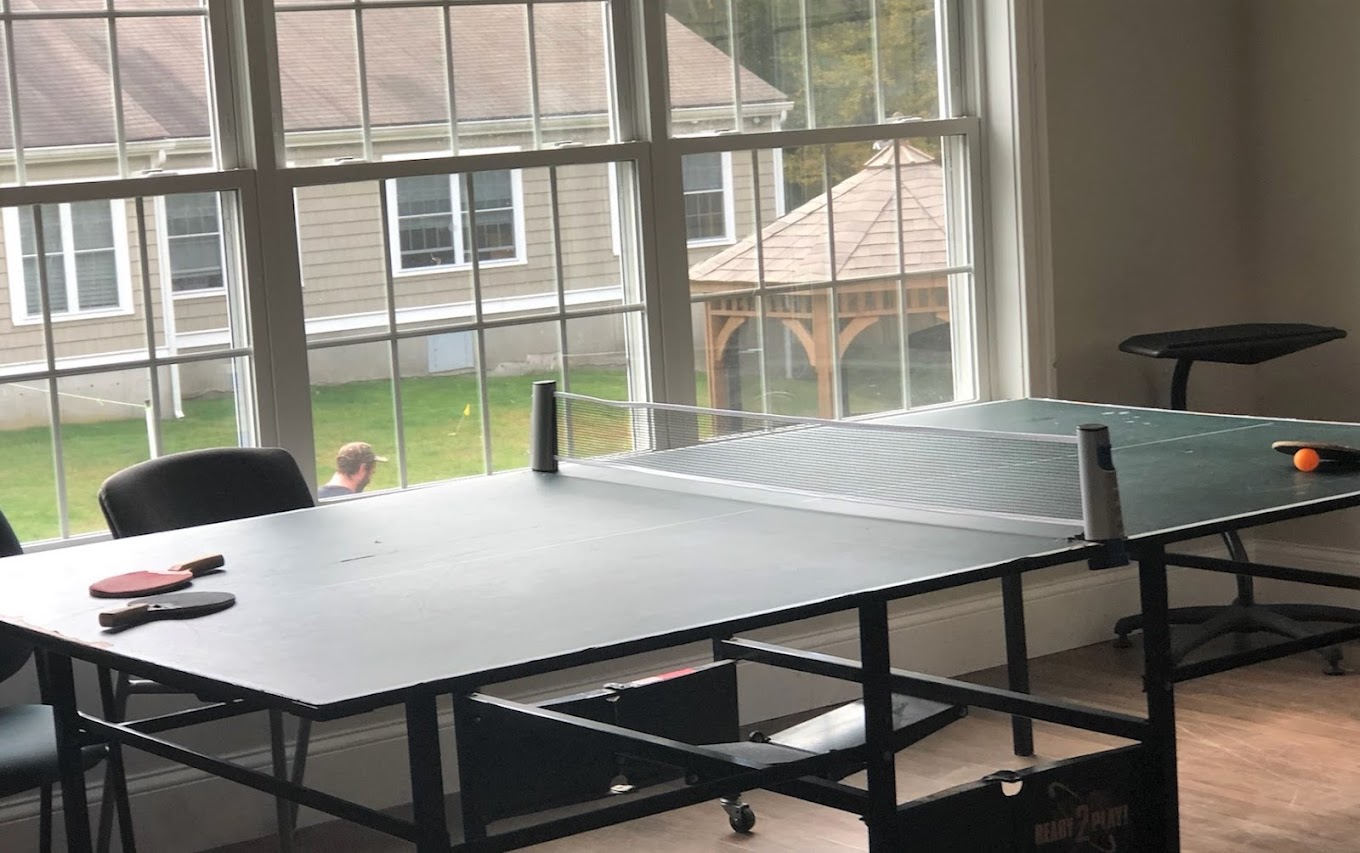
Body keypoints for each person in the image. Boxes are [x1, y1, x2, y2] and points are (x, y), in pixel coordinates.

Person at [318, 442, 388, 499]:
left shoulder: (316, 496)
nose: (373, 472)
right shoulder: (355, 504)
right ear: (362, 468)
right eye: (372, 467)